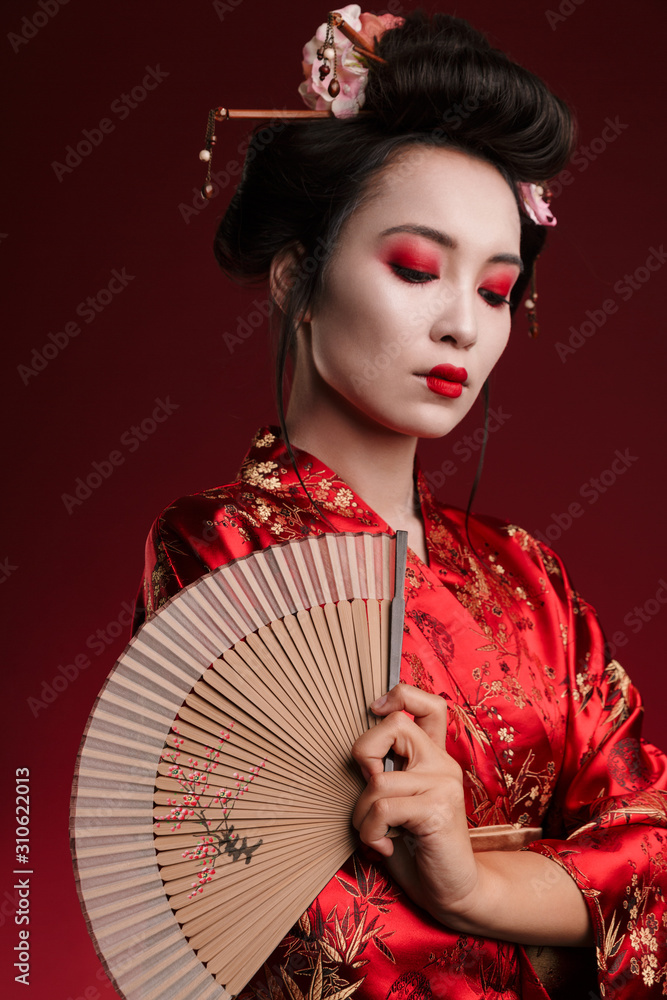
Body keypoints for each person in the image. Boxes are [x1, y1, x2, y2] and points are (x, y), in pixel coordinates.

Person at [133, 8, 667, 998]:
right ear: (298, 274)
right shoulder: (221, 546)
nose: (462, 322)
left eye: (499, 289)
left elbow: (658, 849)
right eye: (416, 269)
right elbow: (305, 923)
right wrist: (553, 901)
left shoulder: (525, 571)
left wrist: (464, 887)